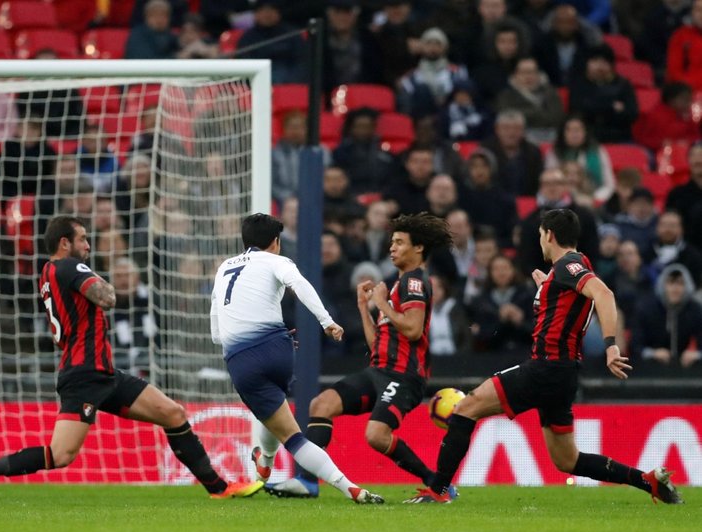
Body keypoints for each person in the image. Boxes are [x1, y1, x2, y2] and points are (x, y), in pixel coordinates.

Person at [0, 216, 262, 500]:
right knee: (61, 454)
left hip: (103, 372)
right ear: (65, 242)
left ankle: (220, 489)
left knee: (173, 413)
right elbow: (107, 297)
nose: (88, 245)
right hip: (83, 375)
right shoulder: (67, 265)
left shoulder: (48, 273)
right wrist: (104, 281)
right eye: (82, 238)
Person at [406, 208, 683, 504]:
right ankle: (647, 480)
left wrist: (611, 345)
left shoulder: (569, 265)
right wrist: (546, 289)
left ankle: (438, 491)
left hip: (546, 367)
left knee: (465, 408)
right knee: (567, 460)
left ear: (549, 235)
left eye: (540, 236)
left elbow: (604, 294)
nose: (539, 242)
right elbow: (571, 307)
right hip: (563, 374)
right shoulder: (565, 272)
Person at [267, 213, 452, 498]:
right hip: (378, 370)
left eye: (400, 242)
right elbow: (377, 343)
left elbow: (414, 330)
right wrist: (365, 308)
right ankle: (307, 482)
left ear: (419, 248)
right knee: (322, 404)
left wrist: (382, 304)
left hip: (404, 374)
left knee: (376, 435)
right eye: (392, 242)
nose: (392, 248)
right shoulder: (396, 285)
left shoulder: (414, 283)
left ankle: (437, 483)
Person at [212, 214, 383, 504]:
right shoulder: (278, 261)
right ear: (275, 242)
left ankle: (349, 487)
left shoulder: (224, 268)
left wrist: (228, 343)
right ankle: (265, 460)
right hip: (279, 349)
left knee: (291, 436)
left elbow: (216, 324)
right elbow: (301, 286)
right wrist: (327, 322)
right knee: (274, 408)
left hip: (242, 358)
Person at [633, 264, 702, 368]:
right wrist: (652, 353)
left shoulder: (695, 310)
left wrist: (697, 354)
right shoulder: (646, 309)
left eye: (680, 283)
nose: (675, 288)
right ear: (662, 285)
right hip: (651, 368)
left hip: (685, 367)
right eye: (670, 282)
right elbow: (635, 346)